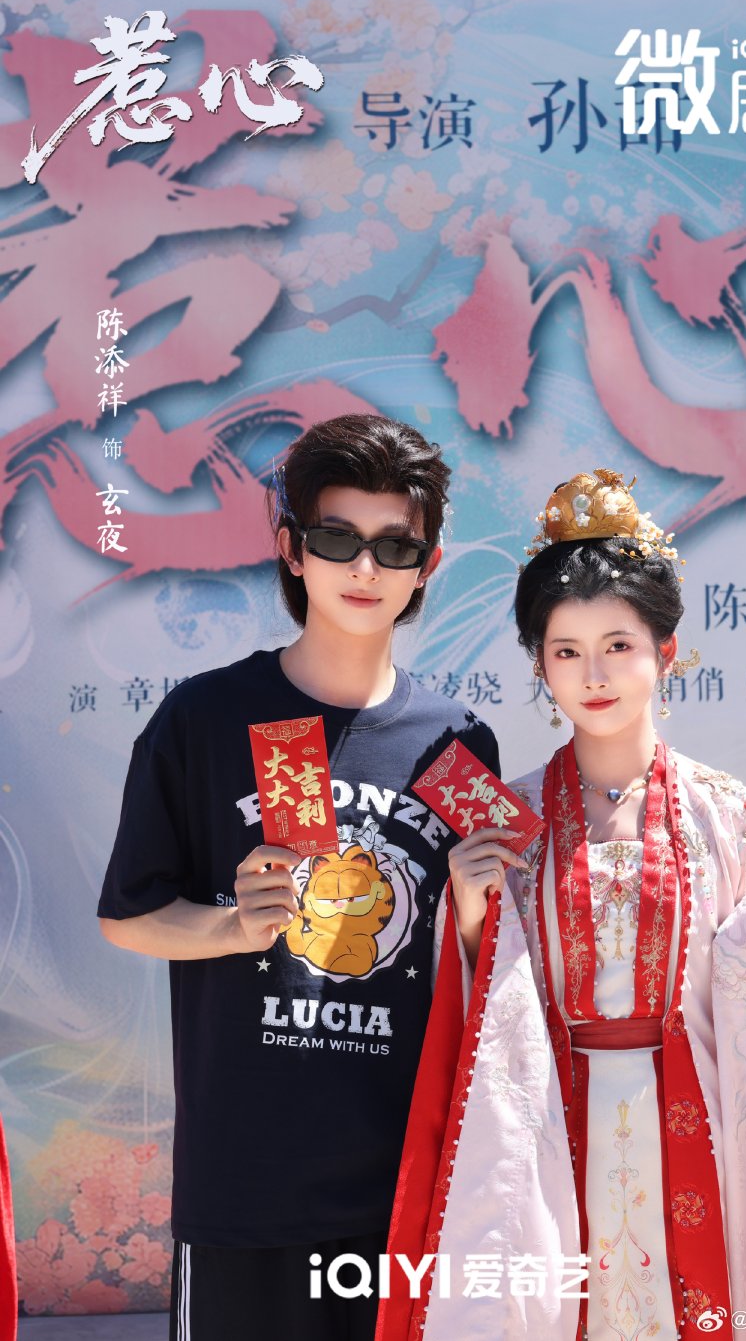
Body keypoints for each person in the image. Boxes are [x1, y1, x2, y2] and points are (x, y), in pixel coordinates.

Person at [378, 469, 746, 1341]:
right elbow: (484, 996)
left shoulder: (728, 814)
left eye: (618, 644)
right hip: (556, 1121)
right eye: (565, 651)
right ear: (540, 664)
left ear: (666, 650)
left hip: (697, 1123)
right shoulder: (510, 819)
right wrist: (466, 910)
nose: (594, 673)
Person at [98, 413, 500, 1341]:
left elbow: (476, 961)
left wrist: (477, 915)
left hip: (401, 1183)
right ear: (292, 550)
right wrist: (231, 926)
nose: (366, 568)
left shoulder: (456, 743)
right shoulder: (206, 718)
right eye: (337, 538)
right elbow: (128, 914)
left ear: (427, 566)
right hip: (244, 1185)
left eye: (395, 545)